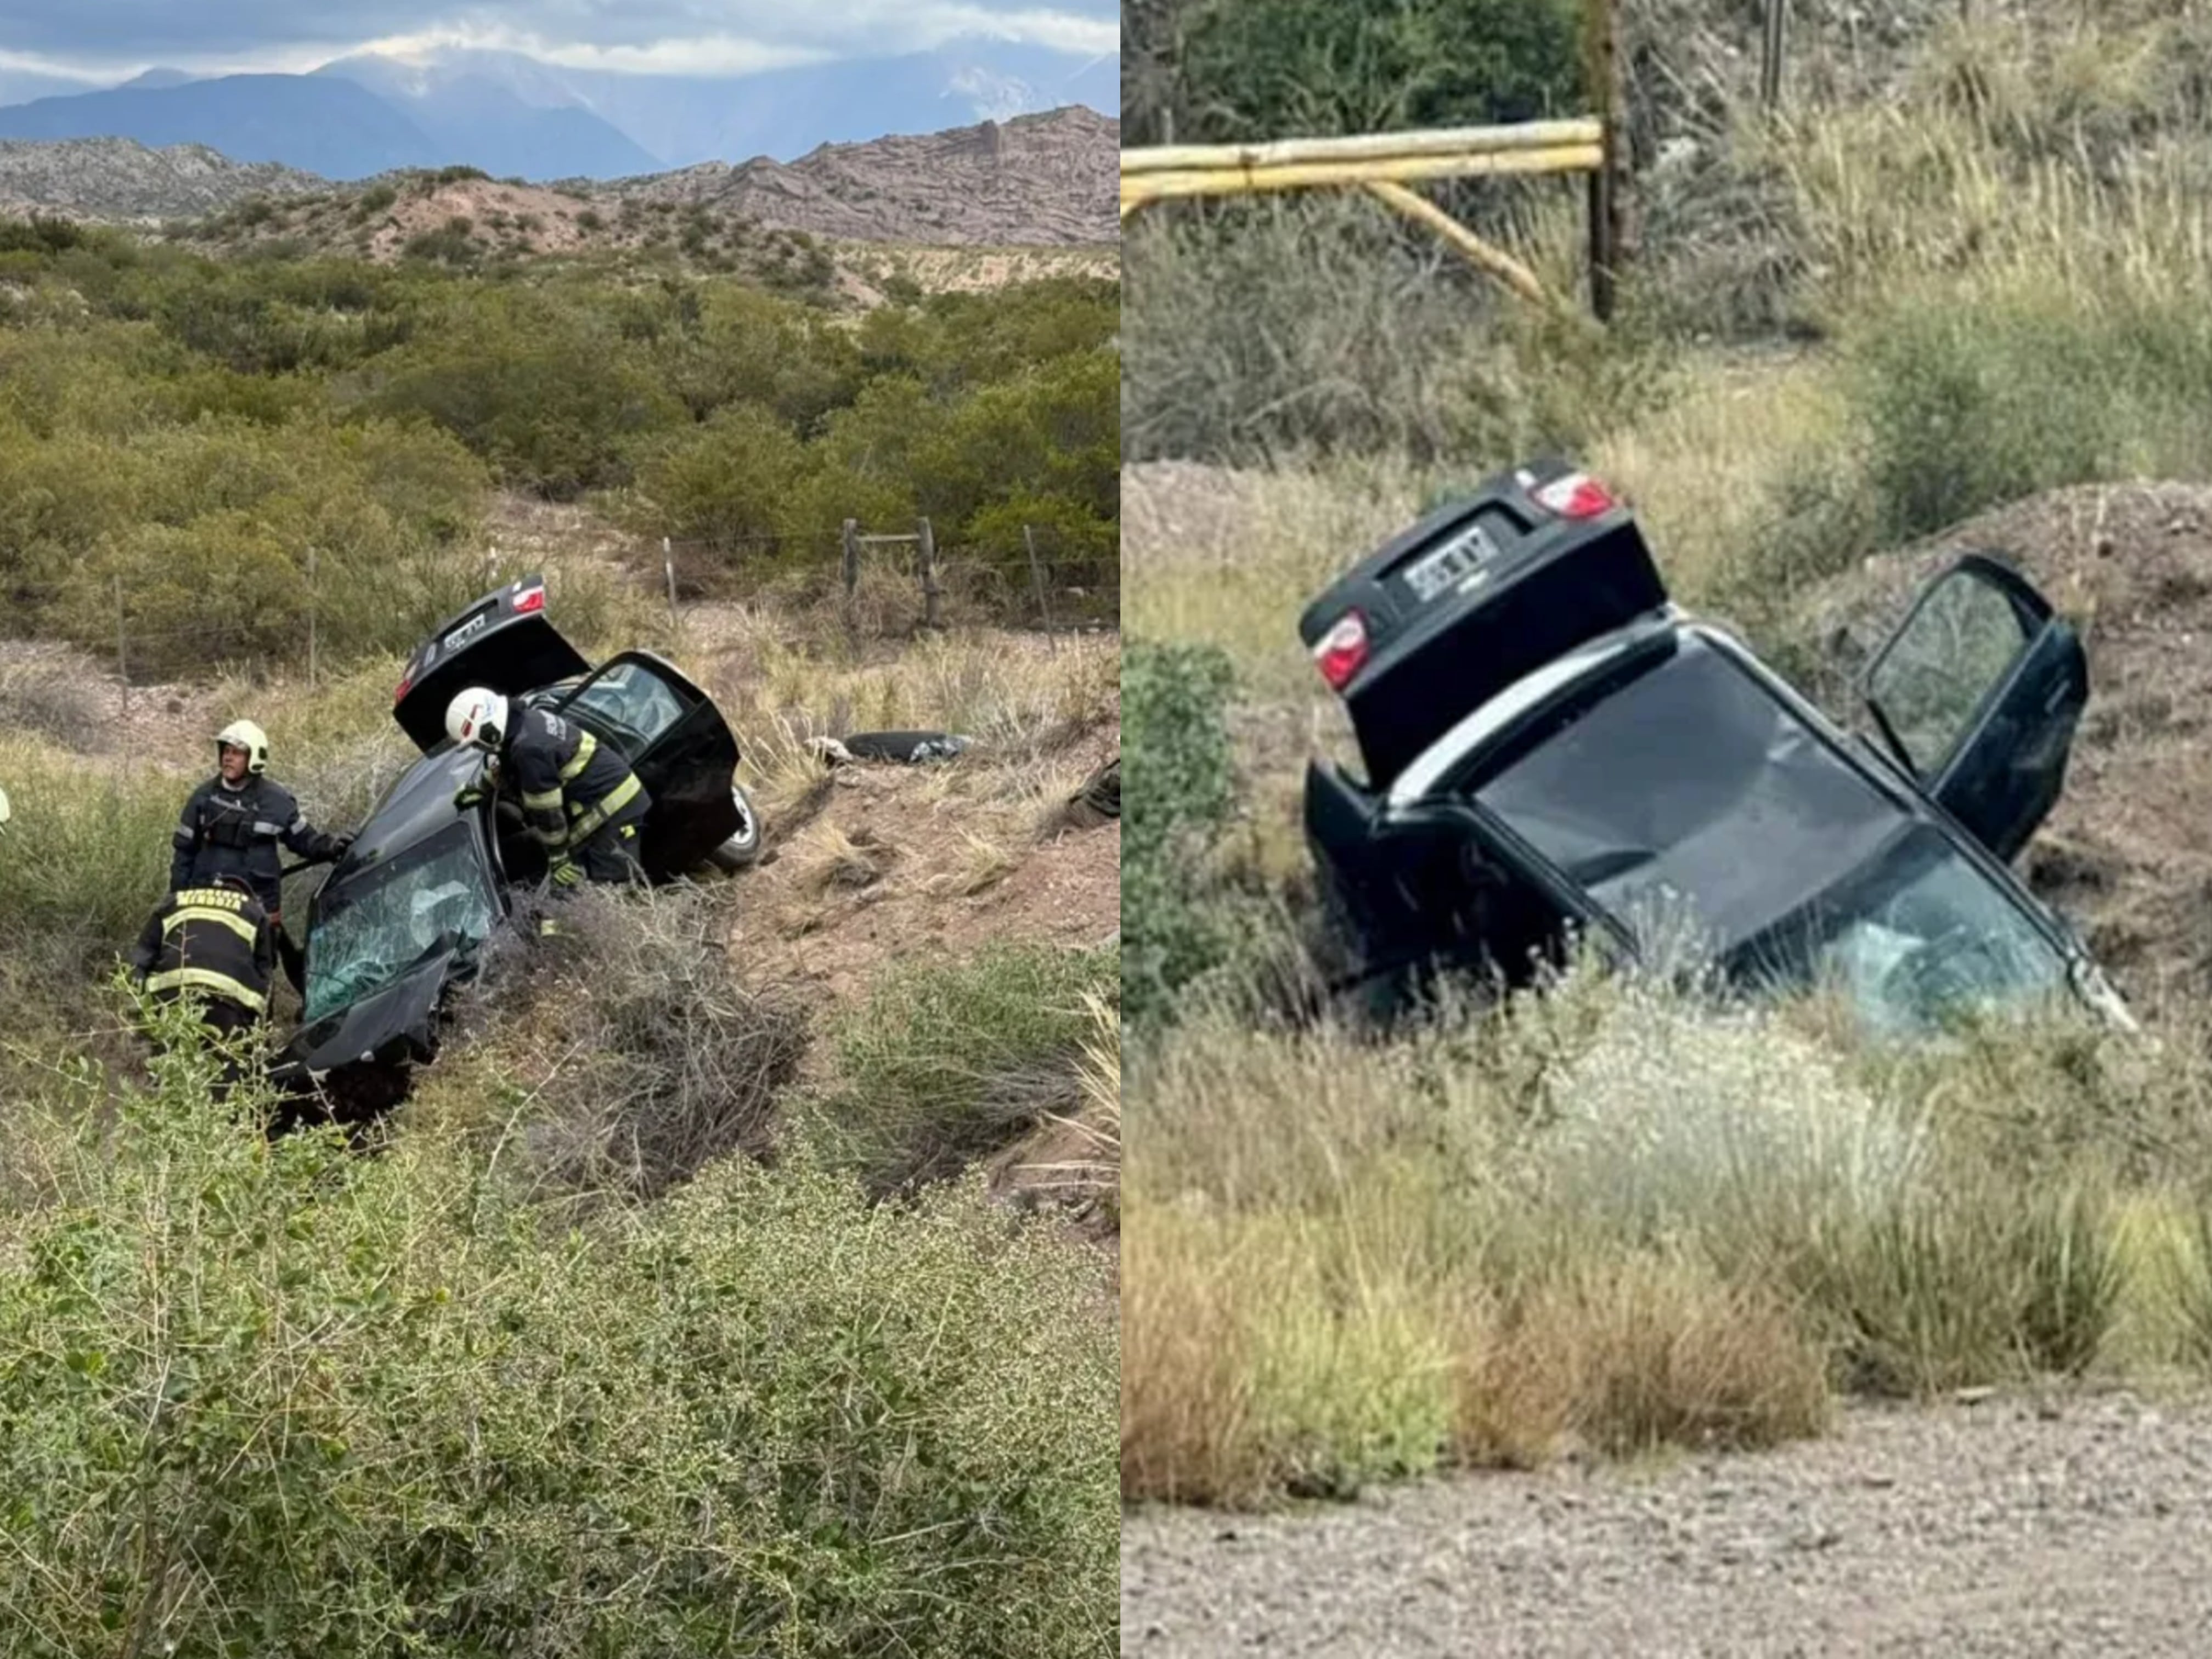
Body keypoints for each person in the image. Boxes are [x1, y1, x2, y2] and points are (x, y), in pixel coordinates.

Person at [169, 720, 353, 992]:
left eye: (237, 752)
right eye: (226, 751)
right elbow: (183, 853)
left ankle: (262, 1024)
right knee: (202, 966)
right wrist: (177, 901)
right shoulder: (203, 798)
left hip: (259, 908)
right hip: (206, 903)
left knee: (258, 974)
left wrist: (331, 846)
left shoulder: (276, 801)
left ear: (254, 758)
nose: (228, 757)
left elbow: (304, 839)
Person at [445, 686, 651, 897]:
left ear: (488, 731)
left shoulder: (530, 749)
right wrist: (482, 787)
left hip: (616, 808)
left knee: (610, 890)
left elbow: (547, 812)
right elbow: (511, 765)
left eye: (477, 744)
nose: (479, 749)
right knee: (577, 891)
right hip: (601, 803)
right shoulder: (524, 723)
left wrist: (558, 857)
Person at [128, 873, 276, 1089]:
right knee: (224, 1082)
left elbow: (139, 961)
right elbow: (266, 982)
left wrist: (139, 1017)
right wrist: (261, 1044)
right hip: (226, 1004)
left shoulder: (175, 902)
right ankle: (218, 1116)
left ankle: (163, 1112)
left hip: (171, 997)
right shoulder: (254, 912)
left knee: (165, 1075)